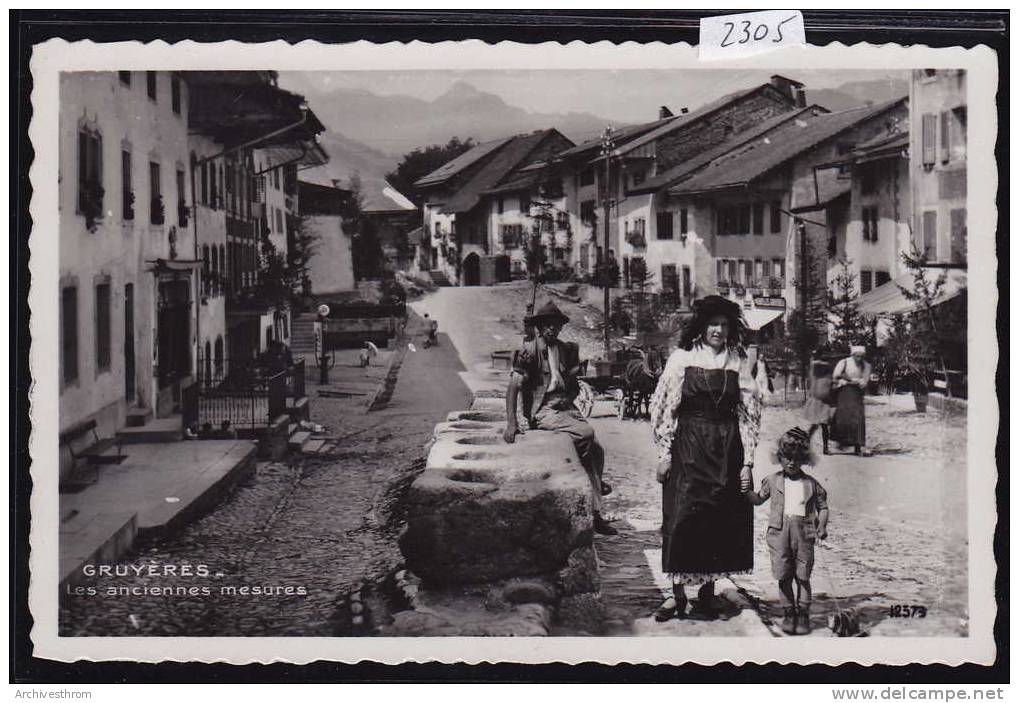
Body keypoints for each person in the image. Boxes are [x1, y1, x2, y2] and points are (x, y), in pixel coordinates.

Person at [648, 295, 762, 621]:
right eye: (713, 324)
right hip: (688, 447)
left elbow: (750, 414)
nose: (719, 330)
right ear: (702, 325)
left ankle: (708, 594)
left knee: (718, 519)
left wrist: (748, 462)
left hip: (727, 448)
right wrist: (664, 454)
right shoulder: (681, 359)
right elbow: (662, 408)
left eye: (725, 325)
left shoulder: (737, 362)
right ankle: (677, 596)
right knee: (682, 516)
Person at [503, 301, 617, 536]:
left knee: (597, 451)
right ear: (540, 327)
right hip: (543, 409)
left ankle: (596, 507)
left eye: (555, 326)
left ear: (560, 328)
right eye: (547, 326)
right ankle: (592, 493)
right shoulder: (530, 350)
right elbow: (513, 386)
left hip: (565, 407)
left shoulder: (566, 350)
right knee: (586, 434)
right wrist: (512, 422)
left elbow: (573, 383)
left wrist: (570, 398)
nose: (551, 330)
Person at [745, 427, 830, 635]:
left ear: (805, 459)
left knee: (803, 576)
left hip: (804, 535)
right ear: (779, 457)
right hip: (779, 535)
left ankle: (802, 614)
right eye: (787, 458)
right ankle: (788, 613)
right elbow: (757, 499)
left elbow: (823, 507)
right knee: (783, 576)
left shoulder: (811, 484)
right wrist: (746, 492)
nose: (791, 463)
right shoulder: (772, 481)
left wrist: (822, 525)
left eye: (797, 458)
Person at [831, 345, 872, 456]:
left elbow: (865, 381)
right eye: (857, 356)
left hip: (857, 394)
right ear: (852, 355)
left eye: (861, 356)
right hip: (844, 393)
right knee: (844, 418)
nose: (859, 358)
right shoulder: (844, 362)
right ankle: (842, 442)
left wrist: (859, 382)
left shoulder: (866, 366)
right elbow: (835, 376)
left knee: (858, 419)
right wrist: (843, 381)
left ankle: (858, 446)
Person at [803, 353, 836, 454]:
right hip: (816, 403)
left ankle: (825, 448)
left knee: (824, 426)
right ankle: (805, 443)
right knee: (815, 425)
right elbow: (813, 364)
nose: (823, 368)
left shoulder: (828, 377)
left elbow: (831, 389)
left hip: (825, 403)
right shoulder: (815, 375)